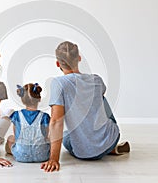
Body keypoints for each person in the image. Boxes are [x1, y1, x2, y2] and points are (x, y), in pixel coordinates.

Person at [41, 41, 130, 172]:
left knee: (66, 137)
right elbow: (100, 95)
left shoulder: (59, 83)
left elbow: (56, 121)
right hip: (111, 138)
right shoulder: (97, 80)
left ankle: (92, 144)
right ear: (79, 58)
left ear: (58, 64)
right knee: (99, 96)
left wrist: (54, 158)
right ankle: (109, 148)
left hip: (83, 153)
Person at [5, 83, 50, 163]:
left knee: (10, 138)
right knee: (49, 139)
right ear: (39, 99)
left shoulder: (16, 115)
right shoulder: (45, 116)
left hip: (21, 157)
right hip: (42, 156)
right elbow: (45, 136)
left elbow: (16, 137)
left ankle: (14, 152)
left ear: (22, 100)